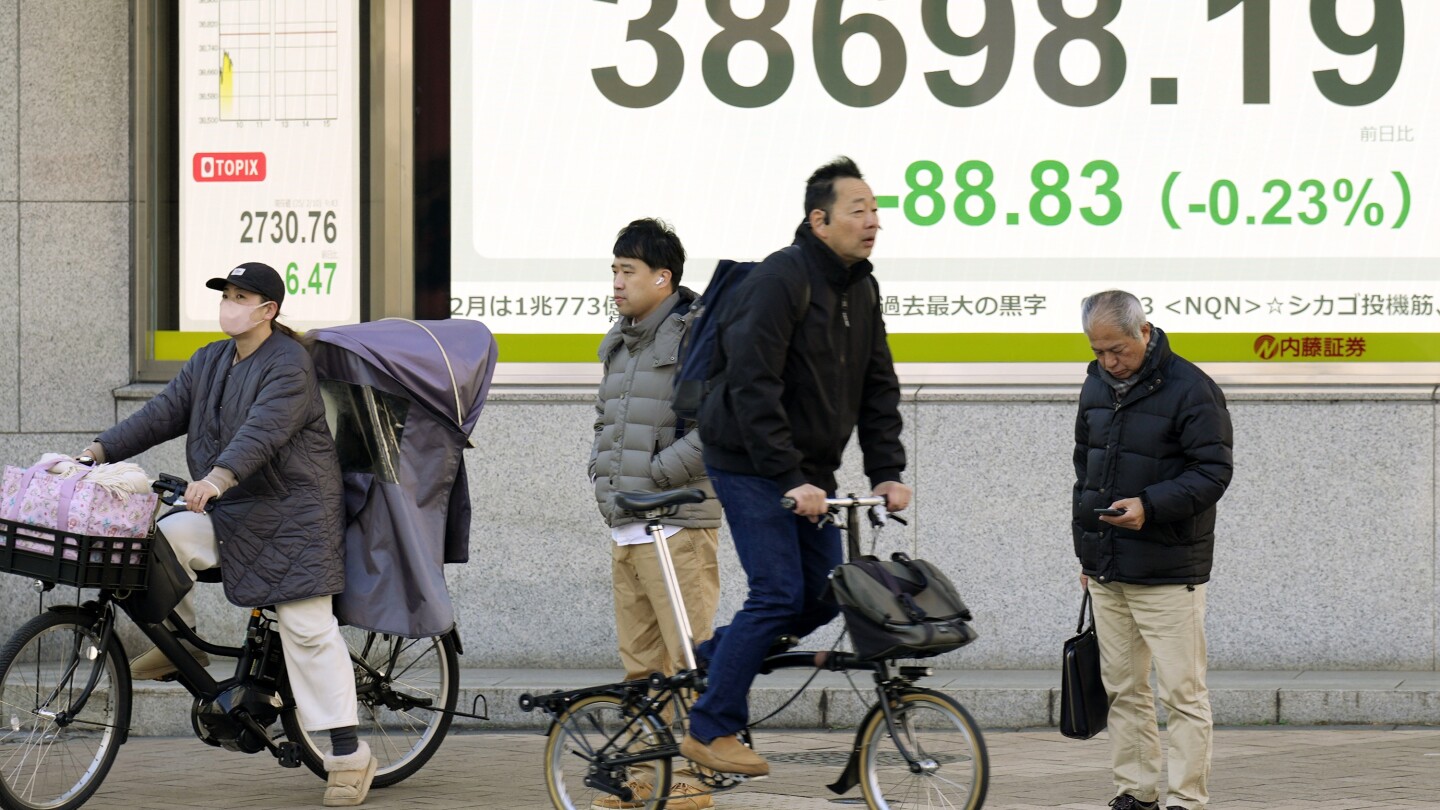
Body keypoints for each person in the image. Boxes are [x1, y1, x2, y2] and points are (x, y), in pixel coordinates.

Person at [80, 262, 376, 808]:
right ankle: (178, 641)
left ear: (269, 311)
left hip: (294, 516)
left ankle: (349, 757)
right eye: (226, 294)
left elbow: (263, 431)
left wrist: (217, 477)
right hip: (233, 507)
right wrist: (95, 452)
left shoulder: (289, 363)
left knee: (306, 629)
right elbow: (161, 413)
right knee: (157, 541)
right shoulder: (210, 360)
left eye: (243, 296)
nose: (230, 304)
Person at [679, 157, 911, 777]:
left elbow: (877, 384)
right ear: (820, 218)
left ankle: (718, 656)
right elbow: (753, 385)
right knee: (779, 592)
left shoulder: (861, 287)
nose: (872, 222)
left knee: (825, 595)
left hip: (808, 472)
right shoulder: (781, 279)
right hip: (751, 462)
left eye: (876, 211)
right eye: (858, 210)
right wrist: (789, 479)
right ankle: (709, 727)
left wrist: (887, 469)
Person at [1072, 290, 1234, 810]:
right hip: (1109, 568)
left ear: (1144, 331)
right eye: (1098, 351)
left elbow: (1213, 472)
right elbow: (1086, 476)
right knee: (1123, 689)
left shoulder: (1192, 388)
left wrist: (1149, 505)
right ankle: (1135, 794)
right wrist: (1086, 557)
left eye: (1116, 349)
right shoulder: (1095, 385)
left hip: (1168, 568)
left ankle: (1187, 801)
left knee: (1182, 695)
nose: (1107, 362)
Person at [588, 219, 721, 810]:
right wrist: (603, 477)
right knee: (640, 664)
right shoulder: (620, 341)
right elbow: (605, 424)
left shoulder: (695, 337)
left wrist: (656, 475)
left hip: (679, 525)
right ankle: (646, 772)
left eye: (627, 271)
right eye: (614, 270)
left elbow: (720, 427)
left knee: (686, 657)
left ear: (662, 278)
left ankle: (695, 777)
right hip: (627, 524)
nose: (616, 282)